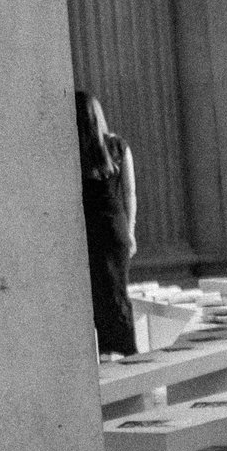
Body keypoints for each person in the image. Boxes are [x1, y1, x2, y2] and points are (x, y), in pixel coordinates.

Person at [76, 92, 137, 357]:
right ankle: (128, 353)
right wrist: (131, 231)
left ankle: (103, 357)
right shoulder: (118, 146)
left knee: (95, 299)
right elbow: (130, 194)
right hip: (115, 229)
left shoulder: (73, 152)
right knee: (118, 295)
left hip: (88, 233)